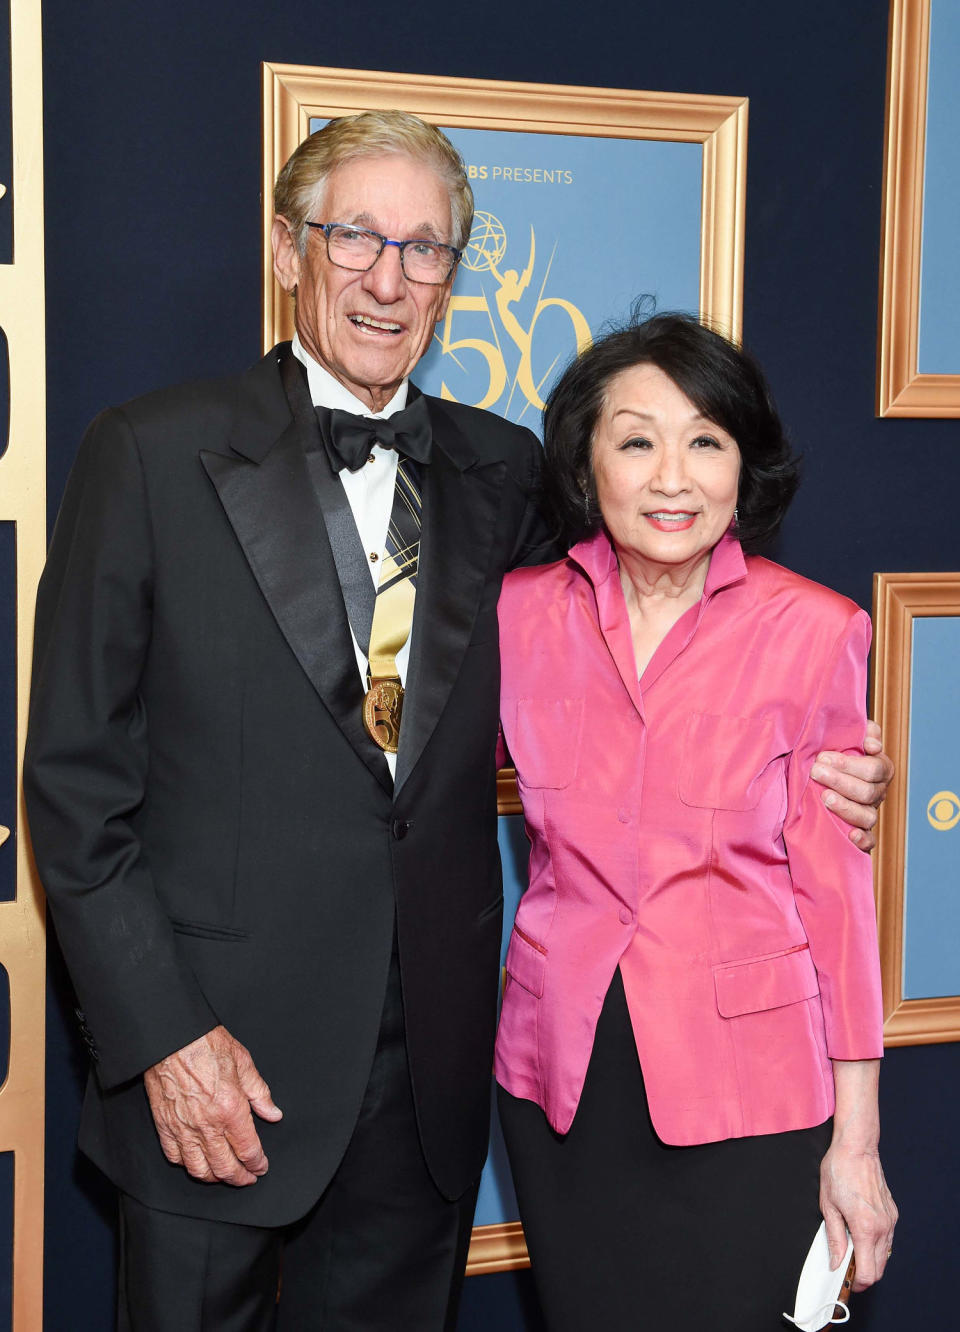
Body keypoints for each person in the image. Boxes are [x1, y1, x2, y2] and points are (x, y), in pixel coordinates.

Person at [24, 113, 888, 1331]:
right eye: (355, 238)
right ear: (287, 248)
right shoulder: (151, 456)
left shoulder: (504, 475)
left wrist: (832, 762)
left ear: (453, 275)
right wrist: (162, 1037)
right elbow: (73, 786)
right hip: (216, 1066)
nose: (390, 278)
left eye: (426, 248)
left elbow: (659, 626)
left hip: (426, 1085)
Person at [494, 313, 898, 1330]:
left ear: (743, 466)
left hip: (752, 1092)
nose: (673, 477)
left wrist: (857, 1143)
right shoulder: (516, 615)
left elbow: (842, 909)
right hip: (561, 1077)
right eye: (637, 440)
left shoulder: (817, 630)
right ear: (588, 467)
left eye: (706, 441)